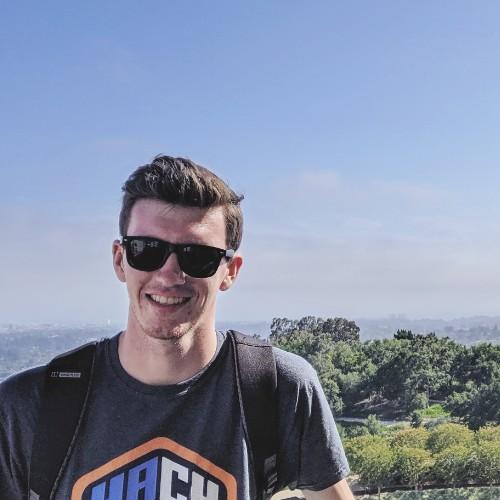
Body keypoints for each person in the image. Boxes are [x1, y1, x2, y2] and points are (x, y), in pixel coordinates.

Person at [0, 156, 353, 500]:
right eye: (146, 250)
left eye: (197, 256)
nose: (169, 274)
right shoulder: (28, 407)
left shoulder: (277, 388)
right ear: (120, 260)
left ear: (230, 271)